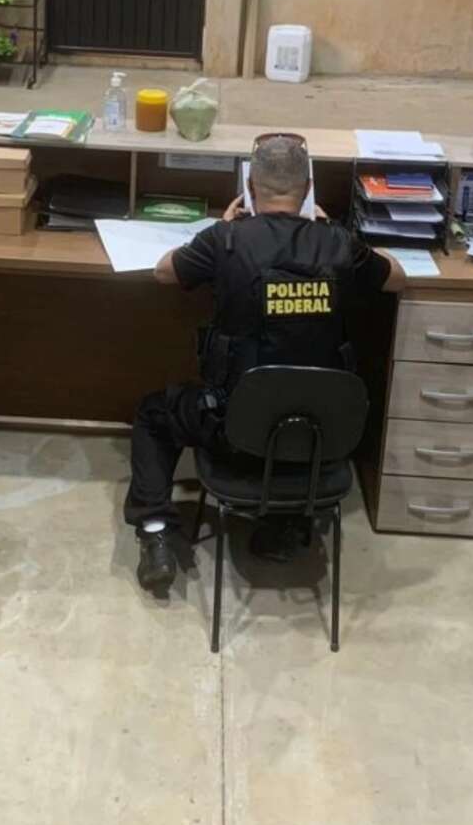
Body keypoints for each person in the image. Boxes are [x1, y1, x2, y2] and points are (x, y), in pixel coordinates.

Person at [127, 133, 404, 594]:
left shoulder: (225, 240)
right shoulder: (339, 244)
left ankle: (155, 532)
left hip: (232, 433)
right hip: (322, 438)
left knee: (156, 414)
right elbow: (396, 278)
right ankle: (283, 522)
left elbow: (163, 271)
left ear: (250, 188)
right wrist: (334, 232)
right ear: (308, 188)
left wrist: (221, 228)